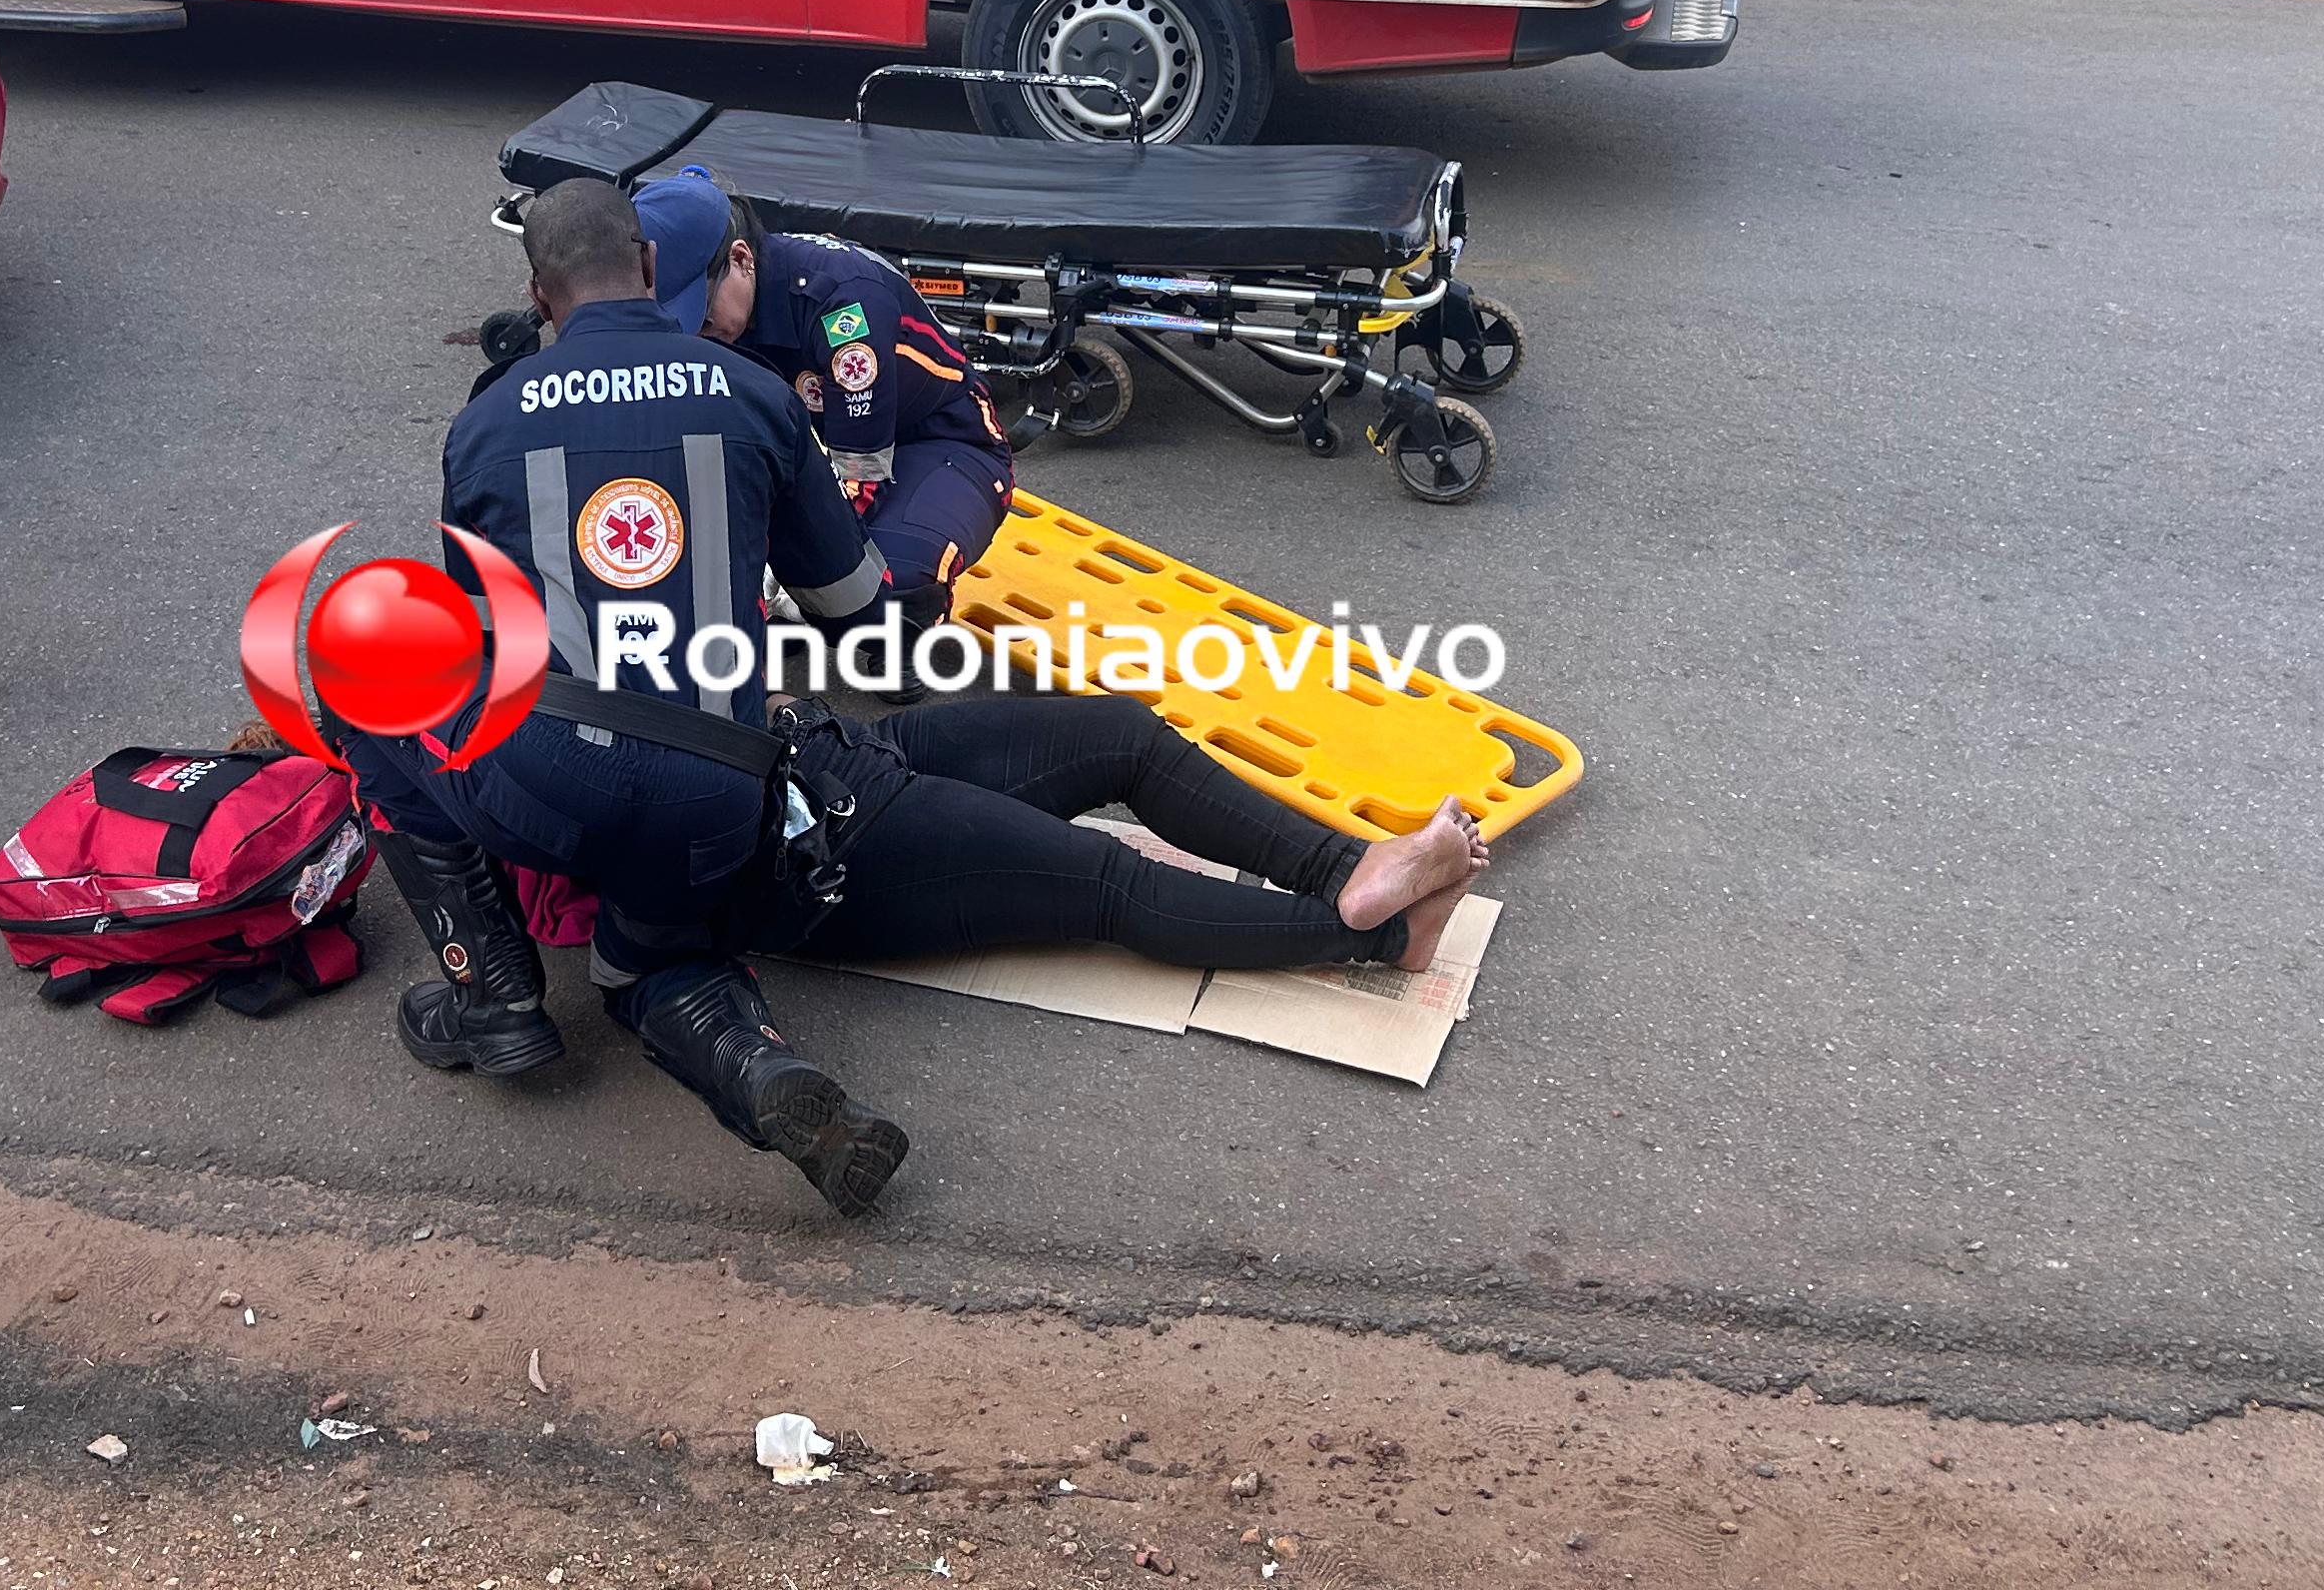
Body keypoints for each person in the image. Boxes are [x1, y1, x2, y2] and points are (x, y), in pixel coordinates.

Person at [352, 180, 1487, 1217]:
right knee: (1103, 885)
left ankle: (1351, 867)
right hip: (781, 823)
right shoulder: (749, 395)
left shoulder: (487, 422)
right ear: (650, 270)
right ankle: (1384, 933)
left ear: (537, 296)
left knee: (1120, 736)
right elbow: (856, 612)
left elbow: (490, 649)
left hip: (775, 765)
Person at [630, 170, 1014, 615]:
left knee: (892, 583)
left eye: (701, 309)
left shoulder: (843, 309)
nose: (697, 329)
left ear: (741, 259)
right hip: (831, 444)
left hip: (942, 444)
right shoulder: (733, 305)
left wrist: (784, 564)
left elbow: (861, 474)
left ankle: (899, 642)